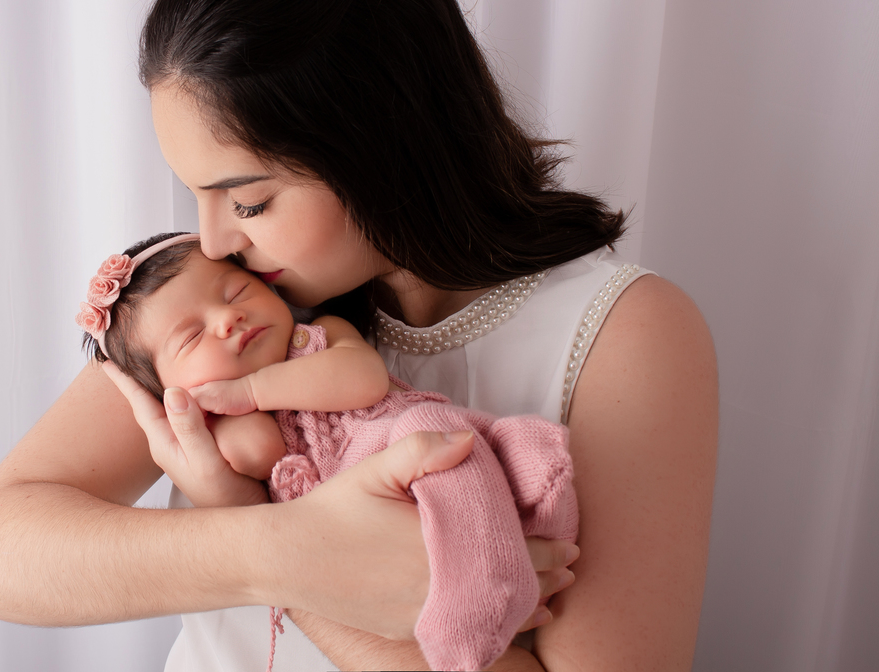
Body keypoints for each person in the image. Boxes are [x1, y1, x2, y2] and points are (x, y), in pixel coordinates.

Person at [0, 0, 717, 671]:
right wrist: (280, 547)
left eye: (249, 200)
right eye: (196, 194)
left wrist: (315, 582)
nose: (214, 240)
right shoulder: (229, 297)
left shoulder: (623, 334)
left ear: (379, 145)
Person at [77, 231, 580, 670]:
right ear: (169, 390)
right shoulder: (228, 423)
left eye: (237, 292)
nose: (228, 318)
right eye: (191, 338)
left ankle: (523, 516)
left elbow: (363, 381)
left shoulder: (319, 335)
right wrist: (213, 413)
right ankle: (472, 601)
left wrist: (251, 390)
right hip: (359, 517)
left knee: (434, 434)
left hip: (396, 439)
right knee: (436, 462)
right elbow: (259, 454)